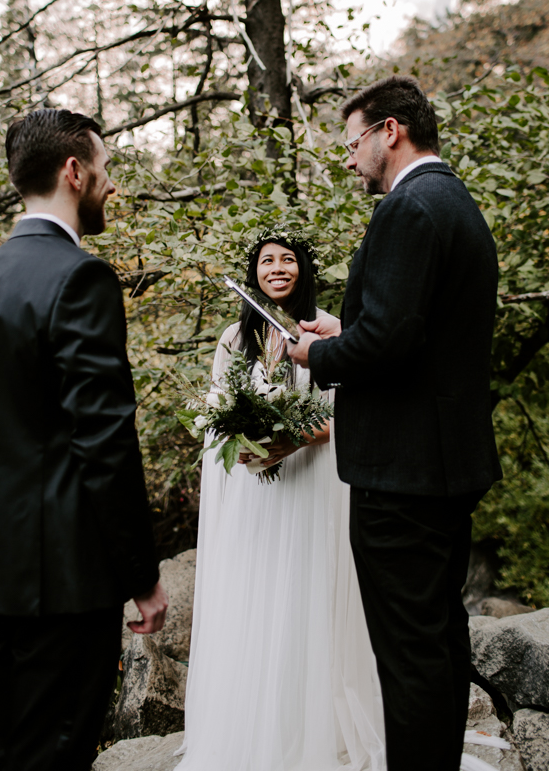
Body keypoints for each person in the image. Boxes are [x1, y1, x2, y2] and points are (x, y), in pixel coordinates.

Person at [289, 75, 502, 771]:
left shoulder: (407, 209)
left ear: (391, 131)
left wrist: (316, 351)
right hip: (443, 463)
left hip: (401, 474)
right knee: (439, 639)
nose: (348, 160)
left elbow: (385, 347)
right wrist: (349, 327)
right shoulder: (456, 203)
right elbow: (412, 334)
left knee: (407, 652)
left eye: (352, 143)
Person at [0, 109, 168, 771]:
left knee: (10, 748)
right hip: (65, 580)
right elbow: (104, 442)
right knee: (58, 752)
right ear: (74, 171)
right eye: (103, 170)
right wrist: (143, 575)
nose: (110, 187)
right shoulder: (79, 278)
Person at [176, 231, 387, 771]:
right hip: (258, 490)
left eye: (287, 259)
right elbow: (219, 414)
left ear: (303, 270)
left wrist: (299, 434)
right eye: (266, 261)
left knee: (308, 591)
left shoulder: (326, 330)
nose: (277, 268)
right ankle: (254, 725)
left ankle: (313, 726)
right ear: (254, 274)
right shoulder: (233, 338)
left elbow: (349, 411)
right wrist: (249, 439)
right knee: (259, 594)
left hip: (314, 480)